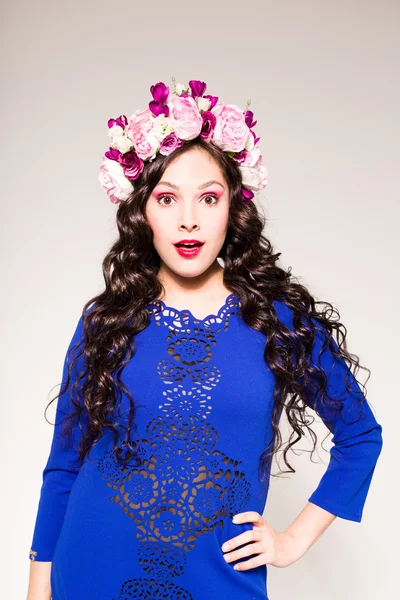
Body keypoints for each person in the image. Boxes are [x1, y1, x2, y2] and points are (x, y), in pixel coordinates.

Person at [26, 78, 383, 600]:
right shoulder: (105, 322)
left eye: (208, 198)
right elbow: (64, 466)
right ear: (141, 211)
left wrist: (291, 542)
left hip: (219, 584)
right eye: (167, 199)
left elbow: (360, 437)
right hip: (88, 572)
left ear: (232, 207)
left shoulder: (278, 321)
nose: (188, 220)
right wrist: (38, 588)